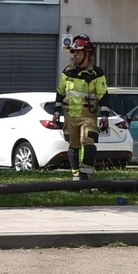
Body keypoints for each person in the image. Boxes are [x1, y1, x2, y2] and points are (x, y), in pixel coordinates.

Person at [52, 34, 109, 186]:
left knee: (88, 142)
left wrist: (104, 116)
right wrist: (56, 112)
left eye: (78, 52)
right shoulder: (67, 72)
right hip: (70, 116)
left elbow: (103, 95)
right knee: (74, 146)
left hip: (88, 116)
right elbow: (60, 92)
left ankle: (86, 179)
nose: (75, 55)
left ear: (88, 54)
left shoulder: (97, 73)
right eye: (74, 52)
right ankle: (76, 178)